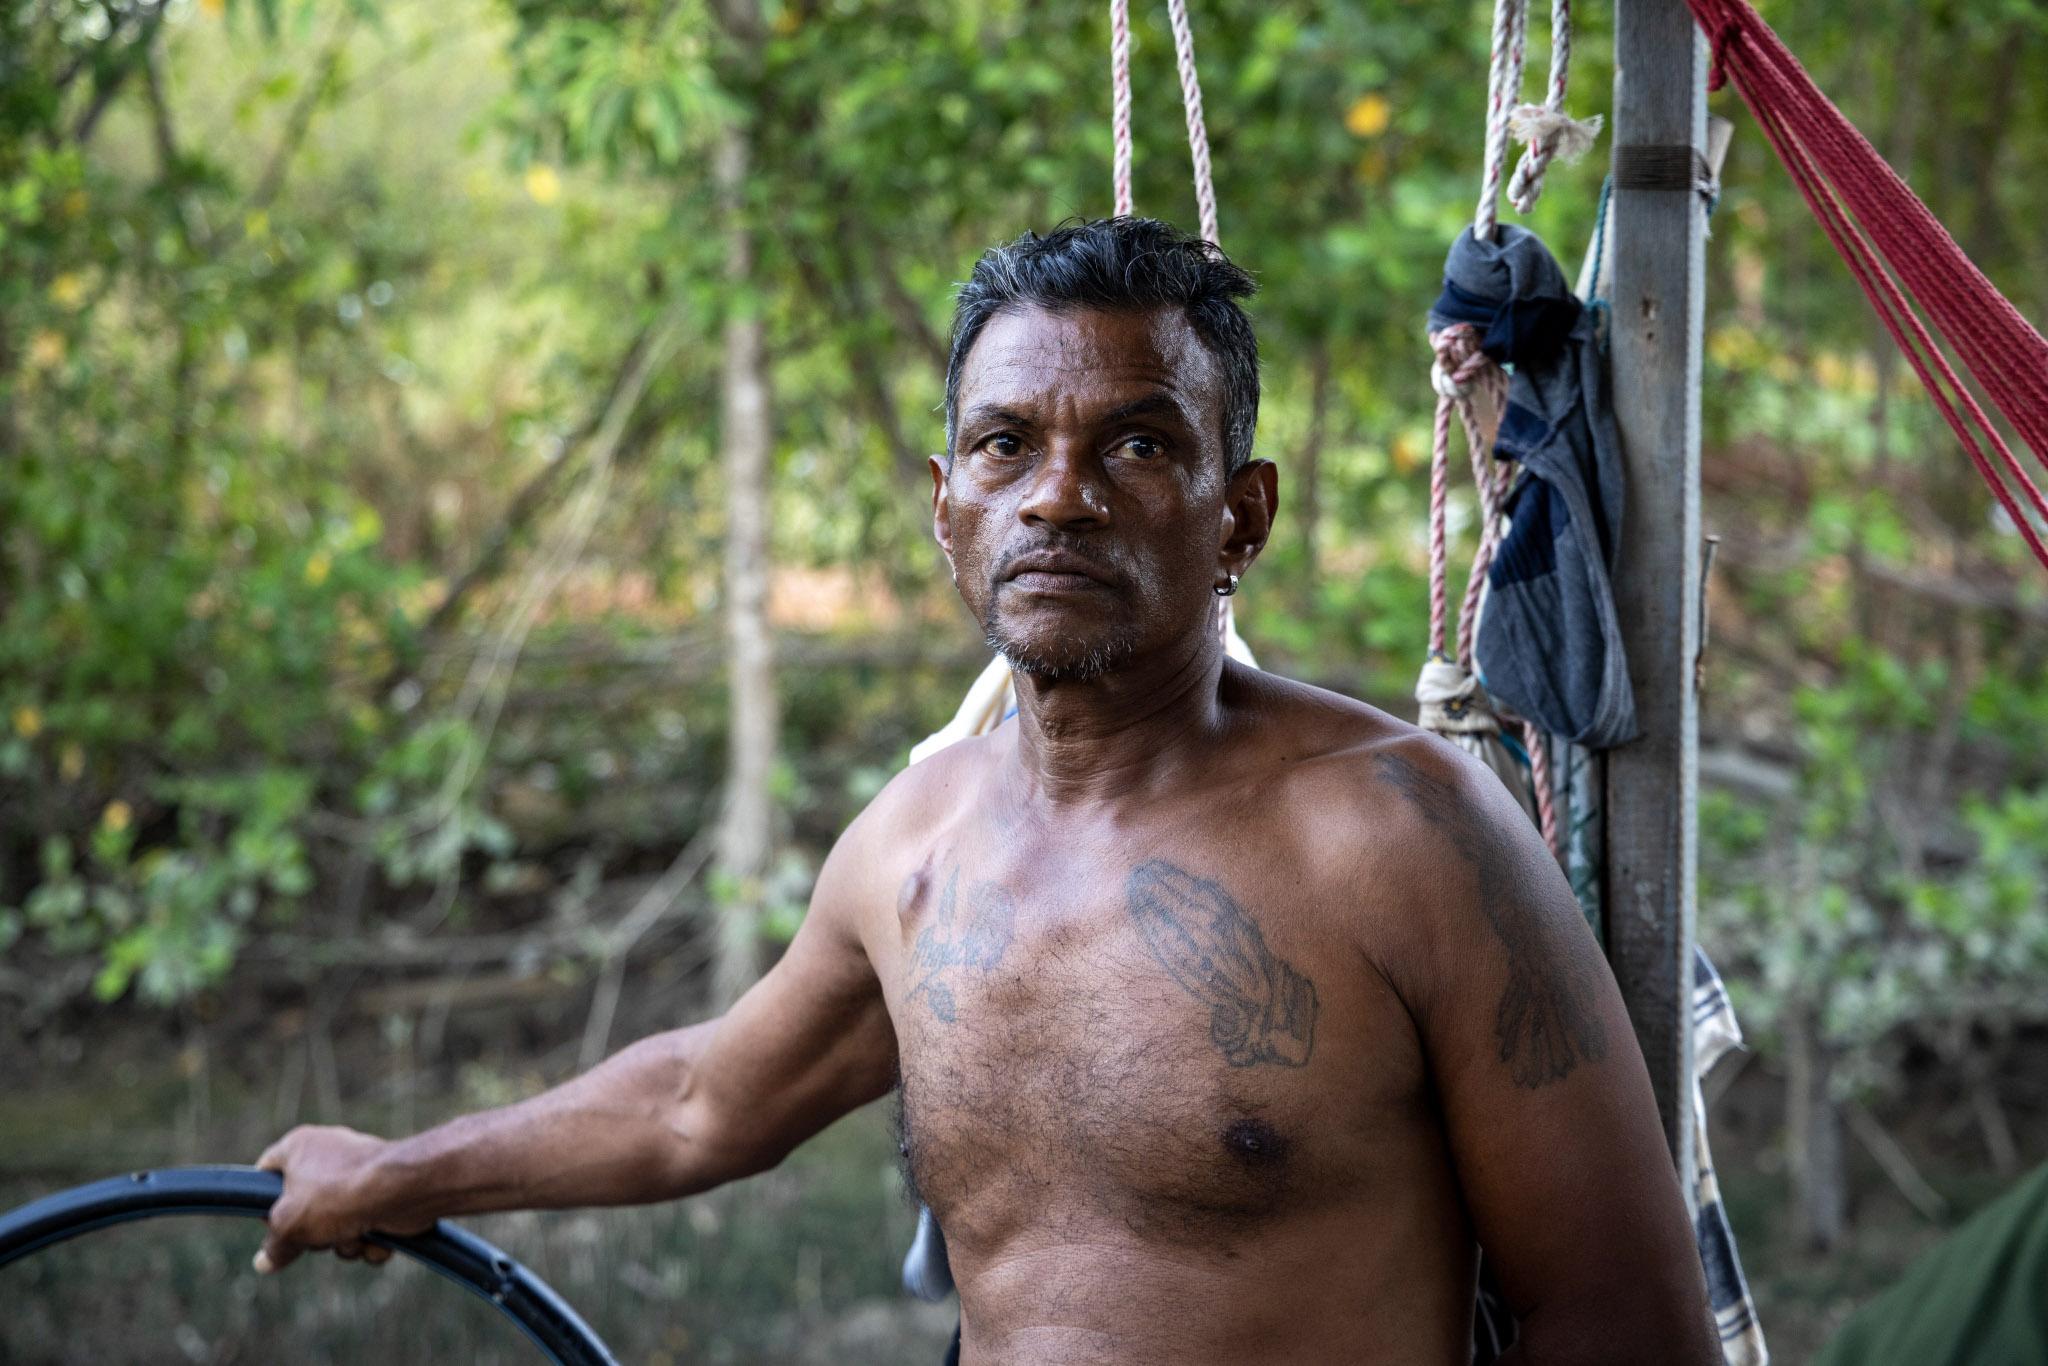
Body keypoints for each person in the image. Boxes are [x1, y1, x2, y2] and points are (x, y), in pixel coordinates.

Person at [256, 217, 1717, 1364]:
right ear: (947, 501)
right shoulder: (915, 846)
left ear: (1242, 514)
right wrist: (395, 1168)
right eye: (1011, 445)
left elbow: (1630, 1334)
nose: (1061, 494)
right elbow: (700, 1102)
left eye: (1139, 443)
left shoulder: (1406, 837)